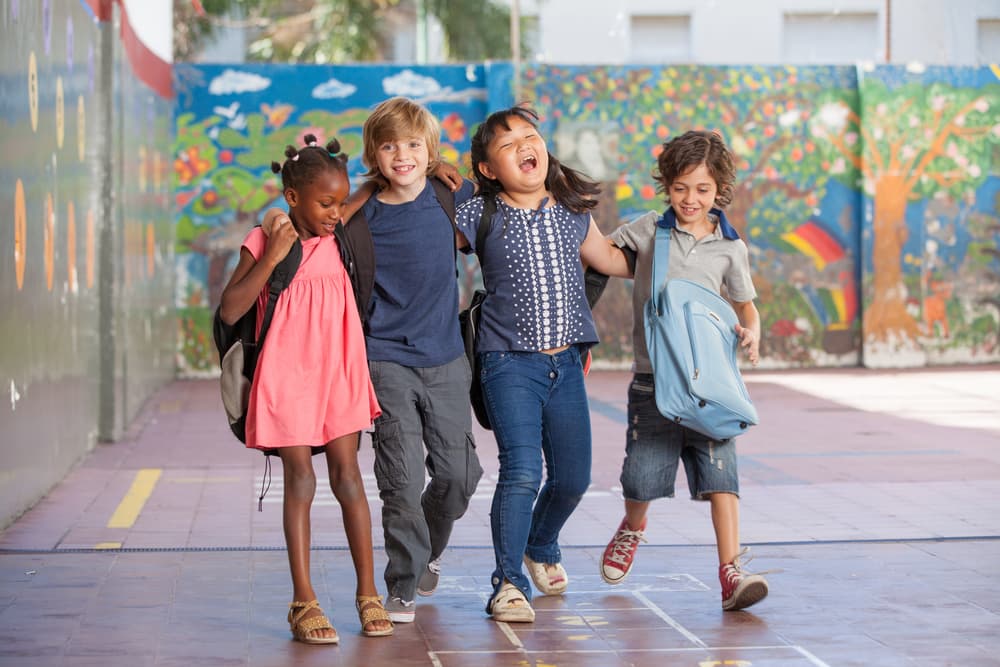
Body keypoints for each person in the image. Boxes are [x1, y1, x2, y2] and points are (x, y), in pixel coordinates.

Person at [452, 105, 632, 623]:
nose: (524, 147)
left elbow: (613, 261)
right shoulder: (476, 214)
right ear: (487, 169)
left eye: (530, 137)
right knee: (522, 470)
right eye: (507, 145)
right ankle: (507, 584)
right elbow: (425, 232)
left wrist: (680, 240)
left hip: (567, 366)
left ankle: (541, 543)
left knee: (573, 478)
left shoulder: (574, 212)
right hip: (507, 364)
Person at [218, 135, 393, 643]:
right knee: (300, 479)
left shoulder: (338, 228)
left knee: (348, 477)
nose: (336, 213)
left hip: (339, 367)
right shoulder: (265, 238)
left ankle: (368, 594)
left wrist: (441, 166)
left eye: (339, 203)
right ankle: (304, 601)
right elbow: (231, 309)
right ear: (291, 197)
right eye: (324, 204)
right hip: (287, 373)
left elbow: (373, 184)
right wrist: (273, 255)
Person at [598, 129, 769, 612]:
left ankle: (731, 570)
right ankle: (634, 525)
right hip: (654, 378)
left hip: (710, 386)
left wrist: (752, 331)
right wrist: (574, 215)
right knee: (641, 477)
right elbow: (604, 258)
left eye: (703, 190)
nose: (691, 199)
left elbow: (746, 306)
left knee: (721, 475)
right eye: (681, 188)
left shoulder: (731, 248)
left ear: (720, 191)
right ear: (667, 186)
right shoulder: (650, 230)